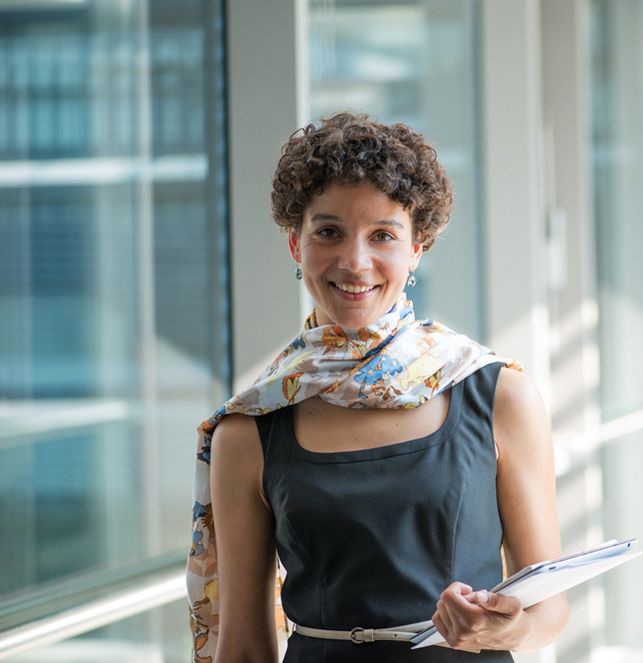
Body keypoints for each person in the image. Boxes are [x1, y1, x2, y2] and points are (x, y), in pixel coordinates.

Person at [186, 111, 567, 662]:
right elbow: (244, 648)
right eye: (328, 232)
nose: (354, 261)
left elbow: (549, 607)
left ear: (417, 249)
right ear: (296, 245)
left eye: (383, 235)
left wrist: (505, 632)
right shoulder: (249, 427)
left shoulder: (495, 393)